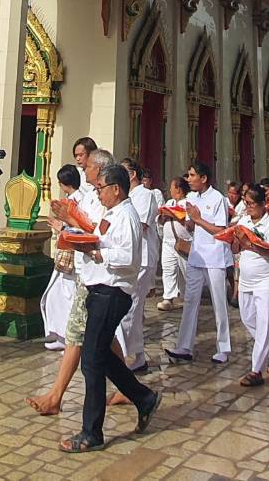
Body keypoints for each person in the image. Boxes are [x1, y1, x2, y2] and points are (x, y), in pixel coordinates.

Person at [59, 163, 161, 453]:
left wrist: (95, 252)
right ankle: (143, 397)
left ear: (116, 189)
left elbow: (127, 257)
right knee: (100, 355)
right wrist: (82, 239)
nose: (98, 193)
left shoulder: (127, 216)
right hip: (99, 289)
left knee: (91, 361)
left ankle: (91, 432)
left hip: (112, 292)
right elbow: (100, 238)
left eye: (101, 188)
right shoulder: (111, 214)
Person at [26, 149, 114, 417]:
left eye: (87, 166)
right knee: (105, 337)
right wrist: (67, 222)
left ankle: (55, 396)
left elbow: (98, 233)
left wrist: (68, 221)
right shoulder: (92, 196)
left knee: (77, 336)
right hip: (88, 273)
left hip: (99, 275)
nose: (83, 171)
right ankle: (135, 391)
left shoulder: (109, 200)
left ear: (99, 169)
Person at [166, 161, 232, 364]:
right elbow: (191, 226)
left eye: (192, 175)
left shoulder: (218, 198)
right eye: (188, 175)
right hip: (196, 255)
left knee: (218, 303)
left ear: (203, 178)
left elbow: (221, 230)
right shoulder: (192, 198)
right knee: (190, 300)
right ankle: (184, 346)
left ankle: (223, 348)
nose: (189, 179)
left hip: (214, 256)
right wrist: (182, 219)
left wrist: (198, 219)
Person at [235, 184, 269, 387]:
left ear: (263, 204)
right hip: (246, 279)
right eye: (245, 203)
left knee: (264, 323)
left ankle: (256, 370)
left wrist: (250, 244)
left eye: (251, 204)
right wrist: (235, 240)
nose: (247, 207)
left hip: (265, 280)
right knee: (248, 318)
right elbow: (236, 247)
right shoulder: (243, 221)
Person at [119, 158, 158, 371]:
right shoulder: (127, 196)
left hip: (142, 257)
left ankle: (124, 355)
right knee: (131, 308)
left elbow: (140, 225)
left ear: (133, 174)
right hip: (129, 258)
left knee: (131, 308)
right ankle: (137, 355)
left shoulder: (145, 195)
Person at [41, 165, 85, 348]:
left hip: (72, 252)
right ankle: (60, 335)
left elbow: (81, 227)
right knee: (55, 296)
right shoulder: (69, 200)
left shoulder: (78, 201)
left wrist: (63, 227)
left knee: (67, 296)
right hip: (65, 249)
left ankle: (68, 339)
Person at [157, 176, 190, 313]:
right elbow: (160, 221)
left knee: (186, 270)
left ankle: (188, 296)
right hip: (168, 242)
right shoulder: (169, 202)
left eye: (172, 187)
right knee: (168, 269)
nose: (170, 190)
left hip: (183, 241)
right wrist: (162, 216)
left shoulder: (188, 203)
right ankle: (168, 297)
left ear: (179, 189)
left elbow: (188, 221)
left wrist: (174, 214)